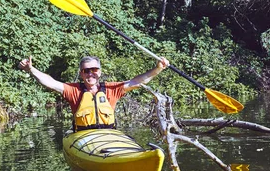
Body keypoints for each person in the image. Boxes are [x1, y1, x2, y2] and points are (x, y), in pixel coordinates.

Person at [19, 54, 169, 131]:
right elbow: (50, 82)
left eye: (94, 70)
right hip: (83, 137)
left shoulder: (111, 89)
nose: (91, 74)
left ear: (100, 72)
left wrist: (158, 69)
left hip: (108, 134)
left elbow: (138, 81)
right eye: (86, 71)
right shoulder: (74, 90)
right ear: (81, 73)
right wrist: (31, 70)